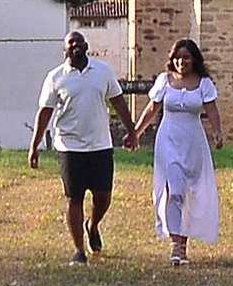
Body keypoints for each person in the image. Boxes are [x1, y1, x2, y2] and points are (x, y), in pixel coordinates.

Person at [29, 30, 132, 264]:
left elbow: (118, 102)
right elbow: (45, 113)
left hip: (100, 145)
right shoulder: (55, 77)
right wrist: (34, 146)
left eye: (79, 42)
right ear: (64, 50)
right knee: (74, 198)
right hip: (69, 146)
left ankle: (93, 225)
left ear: (87, 46)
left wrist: (132, 132)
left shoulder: (103, 71)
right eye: (70, 43)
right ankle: (79, 251)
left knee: (103, 196)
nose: (76, 45)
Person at [127, 38, 221, 266]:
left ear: (194, 60)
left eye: (186, 57)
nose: (181, 62)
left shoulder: (204, 83)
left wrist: (218, 133)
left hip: (193, 142)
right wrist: (136, 132)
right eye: (178, 57)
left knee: (189, 192)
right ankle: (175, 247)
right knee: (175, 190)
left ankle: (184, 246)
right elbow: (152, 109)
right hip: (168, 140)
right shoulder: (164, 81)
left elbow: (212, 110)